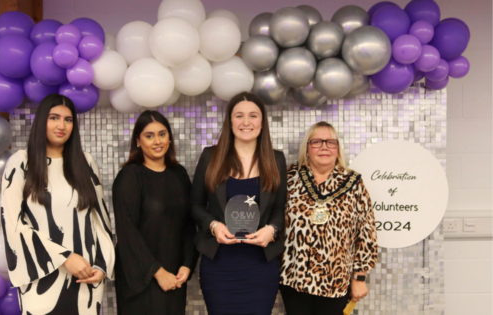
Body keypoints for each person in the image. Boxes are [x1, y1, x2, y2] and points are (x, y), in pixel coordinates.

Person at [1, 93, 115, 314]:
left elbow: (100, 219)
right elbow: (13, 225)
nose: (61, 125)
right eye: (54, 117)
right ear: (42, 120)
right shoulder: (20, 162)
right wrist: (65, 257)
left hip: (86, 276)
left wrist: (101, 265)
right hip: (40, 275)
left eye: (68, 119)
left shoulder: (86, 162)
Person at [191, 92, 287, 315]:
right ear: (230, 121)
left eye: (253, 116)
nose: (246, 122)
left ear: (262, 122)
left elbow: (280, 209)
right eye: (239, 116)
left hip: (261, 266)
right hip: (219, 265)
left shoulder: (276, 159)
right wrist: (213, 225)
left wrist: (271, 230)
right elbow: (195, 204)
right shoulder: (210, 157)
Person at [279, 121, 378, 315]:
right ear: (307, 149)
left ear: (338, 150)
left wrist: (359, 278)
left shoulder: (353, 182)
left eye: (331, 142)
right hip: (294, 280)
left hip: (335, 281)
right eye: (316, 142)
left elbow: (367, 232)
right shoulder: (288, 178)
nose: (324, 147)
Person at [112, 110, 198, 315]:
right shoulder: (130, 176)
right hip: (141, 278)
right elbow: (127, 232)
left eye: (162, 134)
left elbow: (188, 223)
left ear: (169, 138)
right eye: (149, 136)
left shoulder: (179, 174)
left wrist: (187, 264)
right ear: (138, 142)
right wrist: (157, 273)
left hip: (175, 275)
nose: (157, 141)